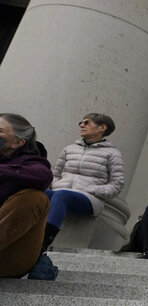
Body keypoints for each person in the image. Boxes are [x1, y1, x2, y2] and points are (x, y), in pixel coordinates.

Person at [43, 113, 124, 250]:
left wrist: (93, 190)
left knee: (61, 195)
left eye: (87, 122)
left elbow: (117, 184)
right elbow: (55, 174)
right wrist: (57, 185)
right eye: (81, 122)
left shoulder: (112, 154)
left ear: (102, 127)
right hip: (61, 192)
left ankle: (45, 239)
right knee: (35, 193)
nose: (81, 125)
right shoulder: (69, 149)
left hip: (89, 198)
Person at [0, 114, 53, 277]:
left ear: (18, 142)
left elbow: (43, 176)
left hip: (11, 255)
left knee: (35, 198)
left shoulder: (32, 163)